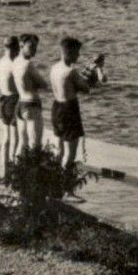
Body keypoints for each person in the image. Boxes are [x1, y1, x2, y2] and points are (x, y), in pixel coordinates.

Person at [47, 36, 87, 175]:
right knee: (70, 153)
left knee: (59, 150)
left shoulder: (54, 68)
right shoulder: (71, 71)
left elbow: (67, 86)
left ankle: (53, 178)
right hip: (69, 109)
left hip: (56, 107)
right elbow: (86, 88)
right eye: (77, 53)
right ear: (69, 53)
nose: (78, 56)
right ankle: (64, 181)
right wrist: (90, 75)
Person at [11, 32, 48, 155]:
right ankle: (33, 166)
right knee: (35, 145)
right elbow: (44, 84)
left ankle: (14, 166)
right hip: (31, 105)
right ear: (21, 45)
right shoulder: (28, 64)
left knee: (22, 143)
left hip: (20, 104)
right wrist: (36, 84)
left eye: (36, 46)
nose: (34, 50)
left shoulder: (15, 62)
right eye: (31, 46)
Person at [0, 36, 21, 170]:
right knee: (15, 138)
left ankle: (5, 169)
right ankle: (13, 168)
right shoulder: (14, 64)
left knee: (6, 137)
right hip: (14, 100)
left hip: (3, 99)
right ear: (16, 48)